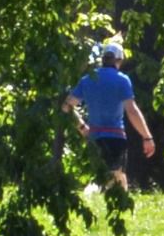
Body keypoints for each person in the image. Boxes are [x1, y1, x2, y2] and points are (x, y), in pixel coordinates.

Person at [62, 42, 155, 191]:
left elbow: (66, 105)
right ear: (119, 60)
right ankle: (121, 207)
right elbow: (132, 111)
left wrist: (81, 126)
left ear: (103, 59)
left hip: (94, 138)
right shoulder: (122, 80)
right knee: (118, 177)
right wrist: (147, 137)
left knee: (98, 176)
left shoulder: (87, 80)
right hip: (116, 138)